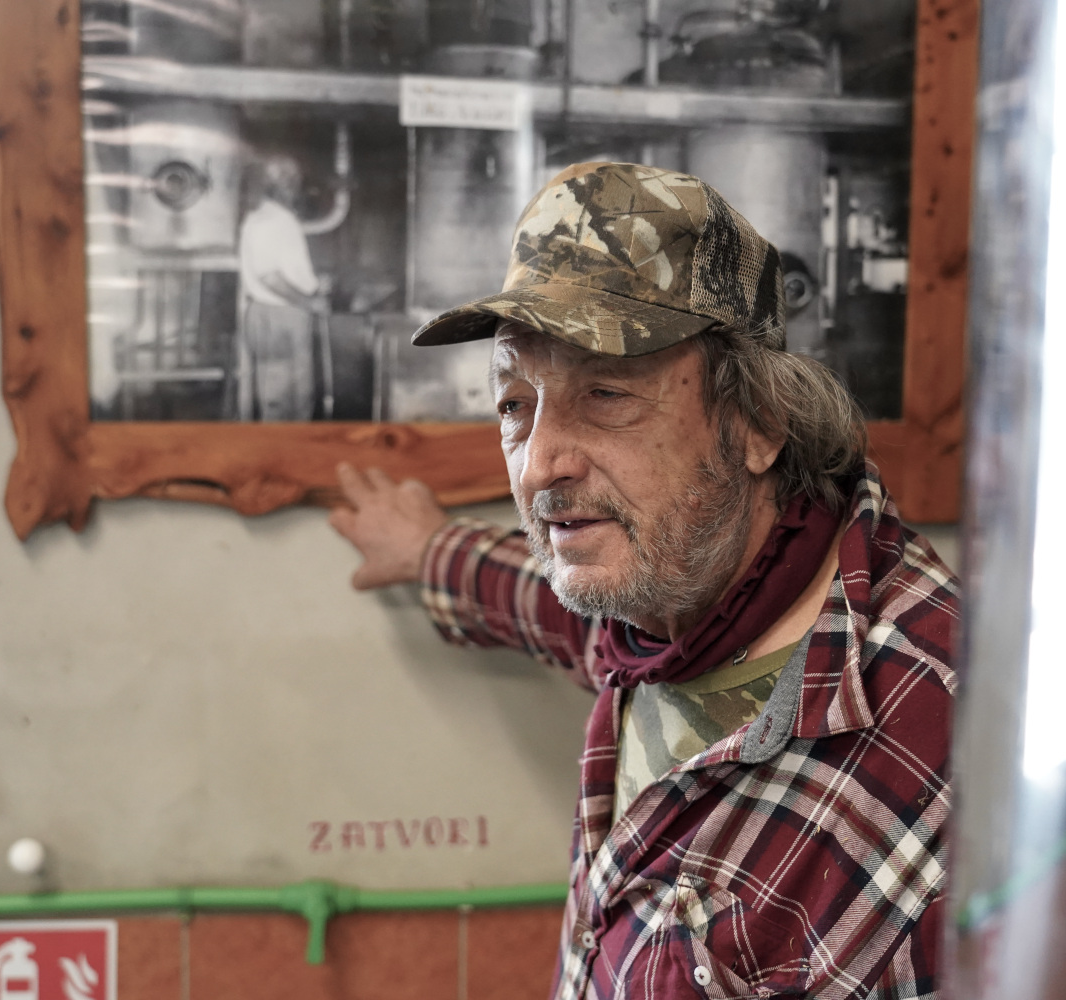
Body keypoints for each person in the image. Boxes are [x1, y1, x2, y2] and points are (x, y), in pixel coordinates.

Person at [329, 162, 957, 999]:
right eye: (516, 404)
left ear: (759, 421)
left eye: (608, 394)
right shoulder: (659, 604)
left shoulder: (949, 733)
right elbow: (542, 598)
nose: (540, 468)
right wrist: (428, 550)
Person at [236, 155, 323, 421]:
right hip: (281, 314)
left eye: (295, 180)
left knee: (287, 394)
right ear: (277, 185)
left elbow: (280, 270)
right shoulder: (274, 221)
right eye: (290, 180)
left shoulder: (267, 217)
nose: (296, 187)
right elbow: (270, 277)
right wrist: (308, 302)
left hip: (276, 311)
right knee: (285, 399)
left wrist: (312, 283)